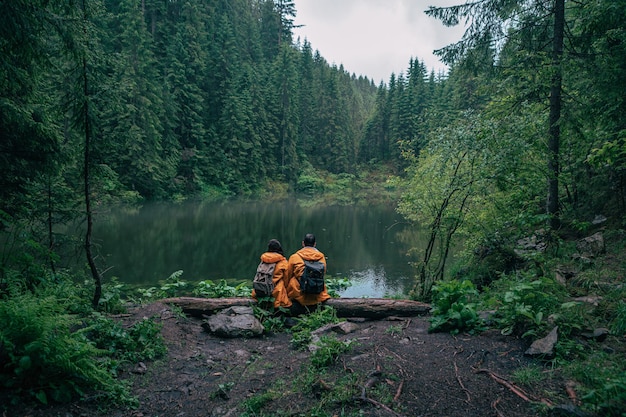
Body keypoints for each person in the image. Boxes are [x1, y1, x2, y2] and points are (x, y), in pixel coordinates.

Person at [286, 233, 331, 314]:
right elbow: (323, 273)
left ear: (303, 243)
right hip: (317, 293)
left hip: (299, 294)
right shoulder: (321, 257)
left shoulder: (294, 257)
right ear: (315, 244)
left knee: (292, 279)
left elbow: (288, 275)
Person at [251, 239, 292, 309]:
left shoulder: (263, 260)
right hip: (276, 294)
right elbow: (286, 280)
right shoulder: (283, 262)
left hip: (259, 290)